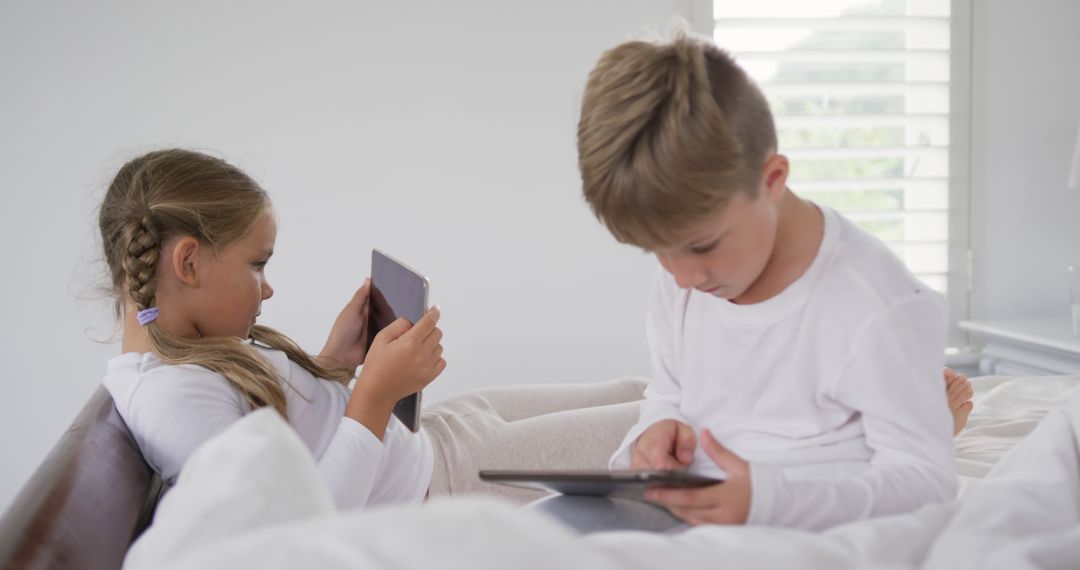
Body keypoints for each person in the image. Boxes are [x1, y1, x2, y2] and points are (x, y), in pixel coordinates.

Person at [569, 31, 967, 531]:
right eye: (657, 252)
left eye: (703, 245)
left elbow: (925, 484)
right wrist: (655, 434)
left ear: (772, 179)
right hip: (683, 524)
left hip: (804, 535)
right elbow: (669, 396)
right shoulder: (682, 284)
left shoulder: (879, 305)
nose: (684, 276)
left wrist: (769, 501)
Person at [99, 148, 445, 510]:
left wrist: (333, 362)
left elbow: (297, 437)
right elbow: (306, 532)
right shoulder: (170, 400)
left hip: (433, 445)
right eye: (257, 264)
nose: (267, 288)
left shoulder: (183, 360)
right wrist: (376, 393)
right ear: (188, 263)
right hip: (437, 487)